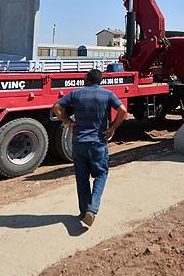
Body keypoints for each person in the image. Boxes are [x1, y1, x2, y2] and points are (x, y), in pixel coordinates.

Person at [51, 69, 127, 228]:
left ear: (86, 79)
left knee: (81, 177)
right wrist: (112, 128)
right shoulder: (108, 94)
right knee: (101, 173)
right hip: (98, 143)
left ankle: (83, 211)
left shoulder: (75, 94)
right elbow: (123, 111)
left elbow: (57, 107)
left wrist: (69, 122)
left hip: (79, 143)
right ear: (100, 81)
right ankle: (92, 210)